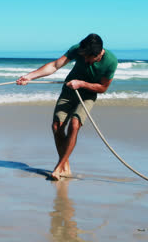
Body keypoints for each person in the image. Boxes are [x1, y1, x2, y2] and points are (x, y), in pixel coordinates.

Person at [16, 33, 118, 180]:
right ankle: (65, 165)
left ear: (98, 55)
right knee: (57, 126)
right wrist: (29, 76)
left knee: (74, 124)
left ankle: (59, 167)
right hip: (69, 90)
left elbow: (102, 88)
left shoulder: (111, 61)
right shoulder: (79, 49)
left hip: (88, 93)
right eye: (83, 56)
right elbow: (55, 65)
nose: (85, 59)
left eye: (88, 58)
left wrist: (82, 83)